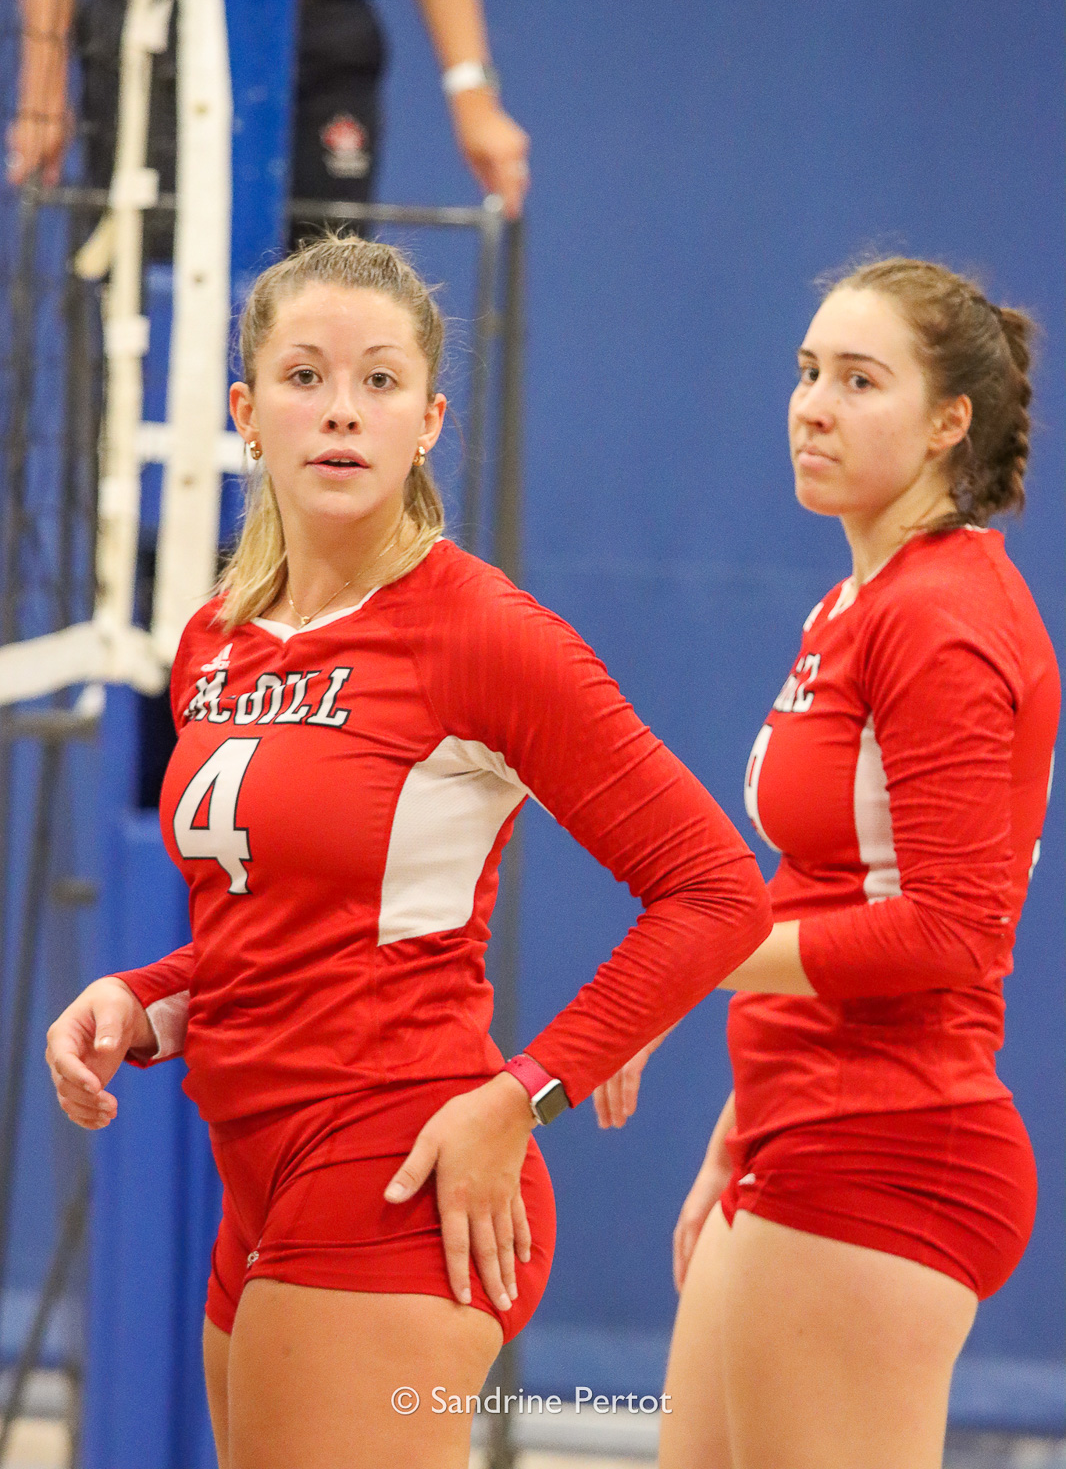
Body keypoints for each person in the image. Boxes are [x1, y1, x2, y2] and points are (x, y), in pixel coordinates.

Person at [45, 234, 772, 1469]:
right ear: (245, 410)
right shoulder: (218, 641)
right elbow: (281, 926)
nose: (340, 411)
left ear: (430, 419)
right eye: (305, 376)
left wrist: (522, 1092)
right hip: (256, 1172)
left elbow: (714, 889)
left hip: (397, 1168)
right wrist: (146, 1000)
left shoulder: (480, 633)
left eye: (380, 382)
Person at [594, 257, 1059, 1469]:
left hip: (895, 1147)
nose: (812, 405)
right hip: (796, 1130)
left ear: (949, 422)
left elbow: (950, 935)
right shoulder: (857, 601)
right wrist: (737, 1124)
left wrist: (683, 969)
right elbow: (830, 892)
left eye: (859, 380)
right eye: (807, 373)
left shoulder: (941, 614)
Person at [9, 0, 530, 224]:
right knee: (143, 288)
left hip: (319, 46)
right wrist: (41, 96)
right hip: (151, 40)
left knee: (321, 289)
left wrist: (475, 102)